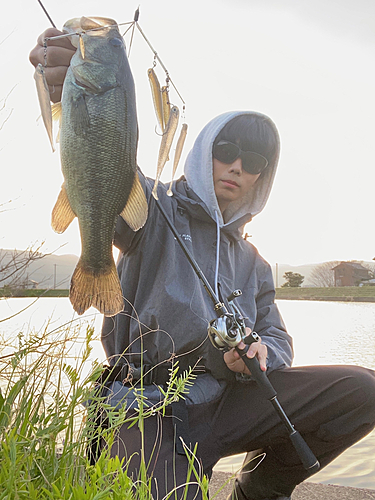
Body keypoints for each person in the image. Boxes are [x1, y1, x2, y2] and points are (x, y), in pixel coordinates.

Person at [30, 28, 375, 500]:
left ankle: (257, 488)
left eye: (252, 159)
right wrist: (66, 88)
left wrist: (259, 354)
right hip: (146, 405)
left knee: (363, 390)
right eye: (226, 151)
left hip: (229, 400)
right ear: (204, 151)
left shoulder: (253, 260)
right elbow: (108, 174)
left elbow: (277, 337)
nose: (236, 166)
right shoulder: (155, 207)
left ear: (262, 176)